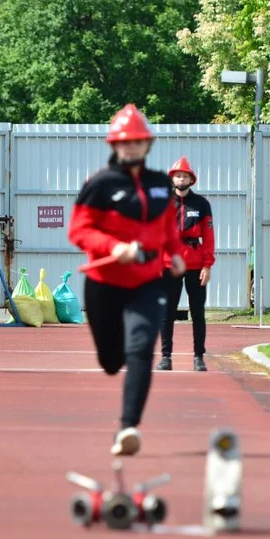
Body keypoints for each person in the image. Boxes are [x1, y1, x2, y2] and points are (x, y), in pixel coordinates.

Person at [68, 103, 187, 456]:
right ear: (114, 145)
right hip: (104, 282)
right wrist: (113, 246)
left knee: (140, 349)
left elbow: (167, 226)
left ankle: (128, 427)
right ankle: (112, 358)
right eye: (125, 142)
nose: (131, 148)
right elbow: (79, 230)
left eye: (137, 141)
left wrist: (175, 253)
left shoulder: (160, 185)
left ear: (147, 144)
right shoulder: (100, 185)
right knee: (110, 361)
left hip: (147, 281)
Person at [157, 156, 215, 372]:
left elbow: (209, 237)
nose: (181, 179)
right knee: (167, 312)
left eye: (185, 176)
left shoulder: (201, 204)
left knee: (197, 312)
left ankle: (199, 357)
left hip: (195, 264)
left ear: (191, 179)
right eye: (178, 176)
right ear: (173, 179)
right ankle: (165, 357)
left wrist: (207, 266)